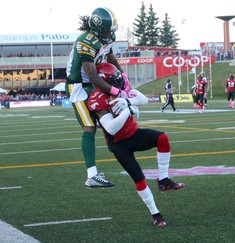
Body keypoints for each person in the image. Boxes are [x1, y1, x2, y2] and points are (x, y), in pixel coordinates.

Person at [88, 63, 185, 227]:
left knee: (162, 138)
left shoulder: (119, 89)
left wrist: (127, 101)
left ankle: (163, 180)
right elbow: (111, 129)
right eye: (114, 79)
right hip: (119, 144)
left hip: (133, 133)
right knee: (139, 179)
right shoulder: (97, 99)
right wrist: (129, 110)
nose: (120, 81)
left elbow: (143, 99)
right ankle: (156, 215)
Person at [65, 7, 134, 188]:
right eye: (106, 30)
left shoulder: (106, 38)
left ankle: (127, 155)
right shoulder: (85, 42)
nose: (110, 33)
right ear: (97, 29)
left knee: (112, 120)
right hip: (79, 86)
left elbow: (111, 59)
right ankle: (92, 176)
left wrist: (123, 78)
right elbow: (93, 76)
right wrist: (116, 91)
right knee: (89, 127)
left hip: (95, 84)